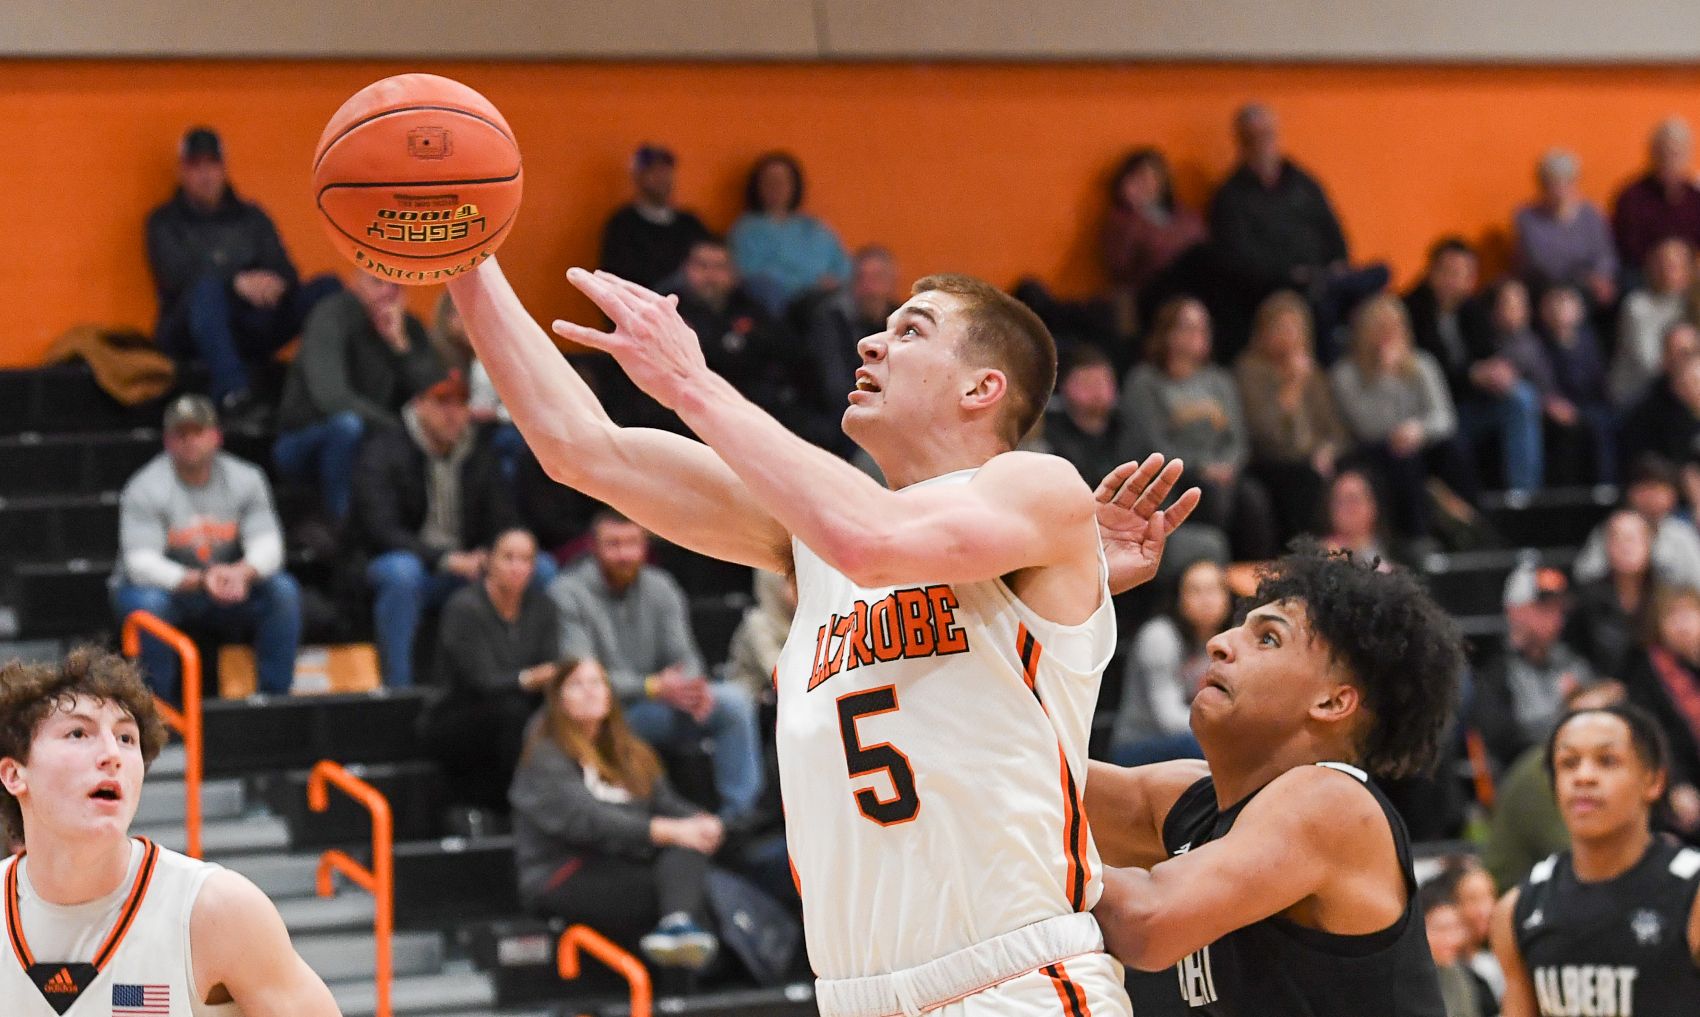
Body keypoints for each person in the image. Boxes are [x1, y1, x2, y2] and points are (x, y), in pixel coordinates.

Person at [448, 255, 1202, 1016]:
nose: (871, 345)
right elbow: (579, 446)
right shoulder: (815, 536)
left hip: (1015, 984)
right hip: (856, 996)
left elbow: (868, 539)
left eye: (911, 331)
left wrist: (692, 384)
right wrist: (460, 253)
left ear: (983, 387)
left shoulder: (1038, 486)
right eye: (879, 329)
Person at [1086, 542, 1462, 1016]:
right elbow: (1024, 779)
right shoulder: (1192, 800)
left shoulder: (1332, 802)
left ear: (1331, 702)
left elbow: (1145, 922)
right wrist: (1071, 586)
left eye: (1267, 638)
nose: (1219, 644)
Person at [0, 649, 339, 1015]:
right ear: (14, 775)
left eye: (127, 738)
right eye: (78, 732)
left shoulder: (215, 910)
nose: (112, 753)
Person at [548, 511, 764, 823]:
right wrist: (652, 687)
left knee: (735, 701)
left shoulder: (661, 585)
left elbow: (687, 657)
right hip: (608, 713)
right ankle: (633, 822)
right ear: (593, 548)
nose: (625, 554)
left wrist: (690, 689)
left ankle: (739, 817)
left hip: (661, 705)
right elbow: (578, 676)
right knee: (596, 711)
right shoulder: (567, 593)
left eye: (633, 543)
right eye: (613, 545)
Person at [508, 656, 723, 968]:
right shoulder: (544, 754)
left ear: (609, 693)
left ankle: (678, 930)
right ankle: (680, 945)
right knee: (675, 889)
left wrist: (702, 822)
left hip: (620, 859)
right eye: (577, 685)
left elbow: (665, 803)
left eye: (596, 683)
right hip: (563, 870)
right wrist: (667, 830)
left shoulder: (631, 751)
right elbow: (587, 820)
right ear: (558, 699)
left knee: (687, 853)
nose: (590, 691)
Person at [1490, 703, 1700, 1017]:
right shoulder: (1517, 909)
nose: (1584, 777)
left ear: (1654, 781)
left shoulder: (1692, 893)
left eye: (1607, 761)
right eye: (1569, 763)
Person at [351, 372, 547, 688]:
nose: (454, 413)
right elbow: (381, 530)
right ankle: (399, 693)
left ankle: (537, 683)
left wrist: (494, 553)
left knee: (539, 567)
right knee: (401, 573)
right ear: (418, 405)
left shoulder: (479, 452)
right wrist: (446, 559)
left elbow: (503, 517)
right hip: (404, 562)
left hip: (470, 564)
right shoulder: (383, 450)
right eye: (443, 402)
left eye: (461, 403)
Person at [111, 395, 300, 704]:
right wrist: (203, 580)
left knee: (283, 591)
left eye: (197, 432)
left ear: (217, 436)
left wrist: (241, 573)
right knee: (148, 604)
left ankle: (274, 701)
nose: (190, 441)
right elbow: (141, 565)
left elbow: (270, 545)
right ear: (167, 441)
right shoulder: (145, 486)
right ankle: (158, 716)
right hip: (168, 592)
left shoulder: (246, 478)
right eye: (180, 434)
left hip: (227, 585)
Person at [145, 126, 337, 416]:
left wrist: (273, 284)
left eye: (212, 164)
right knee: (206, 291)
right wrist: (235, 282)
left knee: (328, 289)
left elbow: (285, 269)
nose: (206, 175)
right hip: (190, 329)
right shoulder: (164, 222)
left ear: (223, 168)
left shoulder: (252, 218)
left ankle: (327, 390)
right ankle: (234, 394)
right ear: (183, 171)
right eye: (196, 166)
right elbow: (176, 276)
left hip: (254, 321)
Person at [1208, 103, 1388, 360]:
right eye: (1253, 138)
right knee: (1318, 303)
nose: (1263, 144)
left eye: (1268, 135)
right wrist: (1290, 274)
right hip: (1280, 286)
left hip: (1325, 275)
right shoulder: (1230, 197)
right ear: (1241, 143)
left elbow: (1333, 231)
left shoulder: (1302, 183)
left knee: (1380, 276)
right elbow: (1239, 262)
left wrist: (1338, 262)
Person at [274, 271, 443, 522]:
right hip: (304, 437)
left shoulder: (409, 328)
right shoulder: (331, 315)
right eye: (377, 282)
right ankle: (339, 527)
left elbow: (438, 398)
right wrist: (398, 429)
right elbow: (332, 399)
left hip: (377, 438)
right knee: (348, 427)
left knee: (440, 434)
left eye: (396, 285)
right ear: (356, 283)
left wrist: (400, 347)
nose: (387, 291)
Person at [1122, 297, 1277, 560]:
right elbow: (1152, 443)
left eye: (1203, 328)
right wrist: (1201, 467)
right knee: (1211, 497)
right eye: (1188, 327)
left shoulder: (1219, 380)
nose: (1198, 334)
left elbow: (1237, 439)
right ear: (1167, 333)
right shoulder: (1144, 381)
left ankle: (1252, 576)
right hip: (1175, 477)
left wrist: (1227, 465)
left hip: (1224, 474)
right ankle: (1209, 580)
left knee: (1254, 498)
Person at [423, 528, 559, 815]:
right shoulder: (464, 607)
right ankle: (518, 811)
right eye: (508, 557)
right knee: (512, 714)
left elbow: (553, 666)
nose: (517, 567)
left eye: (526, 559)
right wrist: (529, 678)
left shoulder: (543, 607)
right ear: (488, 561)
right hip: (455, 713)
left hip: (514, 710)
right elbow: (479, 680)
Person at [1331, 293, 1478, 539]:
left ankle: (1471, 524)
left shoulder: (1422, 364)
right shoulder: (1346, 374)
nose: (1387, 334)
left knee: (1454, 447)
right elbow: (1369, 427)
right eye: (1379, 327)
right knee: (1402, 458)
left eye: (1394, 326)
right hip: (1372, 449)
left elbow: (1444, 417)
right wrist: (1386, 376)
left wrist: (1419, 430)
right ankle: (1416, 537)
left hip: (1417, 442)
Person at [670, 236, 834, 449]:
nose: (710, 276)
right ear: (685, 269)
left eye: (720, 267)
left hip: (755, 411)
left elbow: (791, 354)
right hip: (690, 416)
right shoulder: (671, 312)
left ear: (734, 274)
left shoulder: (752, 309)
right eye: (702, 266)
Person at [1408, 238, 1543, 493]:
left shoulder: (1472, 309)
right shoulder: (1411, 311)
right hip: (1433, 411)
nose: (1458, 281)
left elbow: (1488, 352)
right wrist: (1472, 375)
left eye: (1466, 274)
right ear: (1433, 272)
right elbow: (1424, 372)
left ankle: (1523, 498)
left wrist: (1499, 370)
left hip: (1470, 404)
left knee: (1522, 397)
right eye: (1451, 272)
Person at [1235, 289, 1350, 539]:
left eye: (1295, 328)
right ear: (1265, 332)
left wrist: (1326, 450)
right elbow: (1264, 433)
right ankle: (1304, 553)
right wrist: (1292, 388)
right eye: (1282, 328)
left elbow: (1335, 430)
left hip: (1312, 459)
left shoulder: (1312, 372)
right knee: (1303, 478)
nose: (1289, 337)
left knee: (1359, 471)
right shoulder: (1251, 370)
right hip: (1270, 460)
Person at [1472, 564, 1598, 771]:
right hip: (1525, 780)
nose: (1557, 618)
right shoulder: (1495, 673)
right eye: (1545, 608)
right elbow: (1503, 743)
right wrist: (1567, 711)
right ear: (1515, 611)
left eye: (1560, 609)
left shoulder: (1575, 664)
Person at [1110, 559, 1228, 766]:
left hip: (1195, 735)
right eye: (1195, 591)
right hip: (1141, 744)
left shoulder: (1230, 639)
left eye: (1213, 590)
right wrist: (1228, 727)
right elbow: (1168, 720)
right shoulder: (1159, 636)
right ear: (1179, 598)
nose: (1206, 599)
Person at [801, 246, 901, 457]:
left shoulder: (899, 320)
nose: (870, 287)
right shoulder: (831, 319)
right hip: (840, 423)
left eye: (878, 277)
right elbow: (834, 387)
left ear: (892, 281)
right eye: (862, 278)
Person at [728, 152, 851, 317]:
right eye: (770, 181)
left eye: (783, 181)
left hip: (823, 301)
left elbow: (843, 265)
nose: (776, 187)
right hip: (781, 308)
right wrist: (809, 284)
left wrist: (834, 281)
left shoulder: (814, 227)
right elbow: (750, 273)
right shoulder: (746, 230)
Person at [1619, 587, 1700, 838]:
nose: (1682, 625)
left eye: (1688, 615)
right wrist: (1677, 784)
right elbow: (1653, 736)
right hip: (1682, 782)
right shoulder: (1647, 672)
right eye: (1672, 617)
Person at [1100, 147, 1207, 336]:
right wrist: (1133, 211)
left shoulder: (1182, 214)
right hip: (1152, 291)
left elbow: (1201, 241)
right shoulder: (1123, 219)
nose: (1149, 182)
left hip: (1194, 286)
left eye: (1154, 175)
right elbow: (1119, 265)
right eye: (1141, 176)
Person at [1574, 453, 1700, 592]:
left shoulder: (1681, 534)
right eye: (1644, 488)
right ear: (1631, 492)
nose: (1651, 496)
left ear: (1673, 494)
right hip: (1615, 606)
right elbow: (1585, 574)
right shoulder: (1614, 527)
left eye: (1658, 488)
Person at [1513, 150, 1618, 311]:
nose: (1560, 189)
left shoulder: (1590, 214)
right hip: (1547, 287)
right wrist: (1586, 278)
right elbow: (1542, 263)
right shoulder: (1527, 219)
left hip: (1591, 288)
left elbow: (1605, 254)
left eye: (1566, 181)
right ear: (1542, 185)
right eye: (1552, 183)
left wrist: (1602, 277)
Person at [1567, 510, 1664, 682]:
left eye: (1632, 538)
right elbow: (1573, 652)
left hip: (1665, 694)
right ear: (1606, 545)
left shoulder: (1668, 594)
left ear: (1649, 542)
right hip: (1604, 690)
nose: (1625, 547)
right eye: (1616, 539)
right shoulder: (1587, 597)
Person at [598, 143, 712, 290]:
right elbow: (616, 278)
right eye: (653, 171)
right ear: (637, 176)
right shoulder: (623, 225)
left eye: (666, 171)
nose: (661, 177)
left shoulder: (690, 223)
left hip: (691, 308)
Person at [1537, 284, 1617, 486]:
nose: (1560, 310)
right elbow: (1541, 381)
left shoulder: (1589, 341)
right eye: (1555, 304)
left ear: (1580, 311)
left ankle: (1605, 488)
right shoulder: (1538, 343)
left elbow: (1600, 381)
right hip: (1555, 405)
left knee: (1604, 422)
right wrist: (1550, 401)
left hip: (1590, 404)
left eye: (1567, 303)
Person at [1610, 238, 1695, 410]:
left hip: (1684, 394)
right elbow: (1648, 363)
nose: (1667, 271)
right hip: (1637, 396)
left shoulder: (1693, 305)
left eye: (1675, 265)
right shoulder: (1636, 306)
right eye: (1661, 263)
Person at [1612, 116, 1700, 273]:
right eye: (1664, 153)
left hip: (1689, 276)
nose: (1670, 161)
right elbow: (1626, 248)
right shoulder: (1632, 197)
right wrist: (1662, 260)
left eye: (1677, 154)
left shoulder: (1695, 198)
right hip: (1644, 275)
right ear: (1653, 154)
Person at [1046, 345, 1130, 490]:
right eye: (1086, 383)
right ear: (1064, 386)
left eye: (1103, 382)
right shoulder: (1048, 436)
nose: (1097, 392)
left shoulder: (1129, 428)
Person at [726, 569, 797, 703]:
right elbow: (778, 673)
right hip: (751, 700)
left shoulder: (802, 620)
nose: (798, 589)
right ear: (771, 586)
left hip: (783, 698)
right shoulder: (758, 622)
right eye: (790, 582)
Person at [1422, 881, 1488, 1017]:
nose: (1452, 939)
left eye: (1456, 927)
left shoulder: (1460, 975)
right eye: (1441, 929)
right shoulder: (1403, 980)